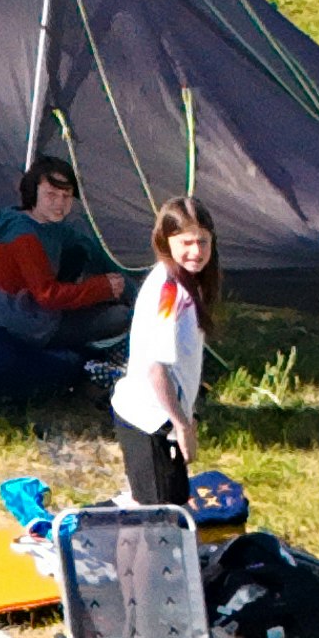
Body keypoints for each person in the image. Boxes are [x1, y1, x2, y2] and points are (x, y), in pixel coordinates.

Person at [0, 159, 128, 411]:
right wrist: (102, 288)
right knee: (120, 317)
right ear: (33, 192)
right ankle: (95, 364)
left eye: (66, 196)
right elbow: (48, 296)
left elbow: (81, 243)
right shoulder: (25, 238)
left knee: (82, 250)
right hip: (30, 324)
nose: (60, 203)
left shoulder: (31, 220)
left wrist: (113, 272)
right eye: (51, 195)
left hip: (24, 309)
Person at [112, 200, 217, 510]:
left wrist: (186, 415)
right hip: (148, 420)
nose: (196, 251)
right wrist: (182, 425)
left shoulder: (188, 283)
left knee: (171, 509)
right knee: (160, 517)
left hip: (165, 417)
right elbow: (155, 369)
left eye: (203, 241)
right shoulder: (169, 293)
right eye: (186, 242)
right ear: (164, 241)